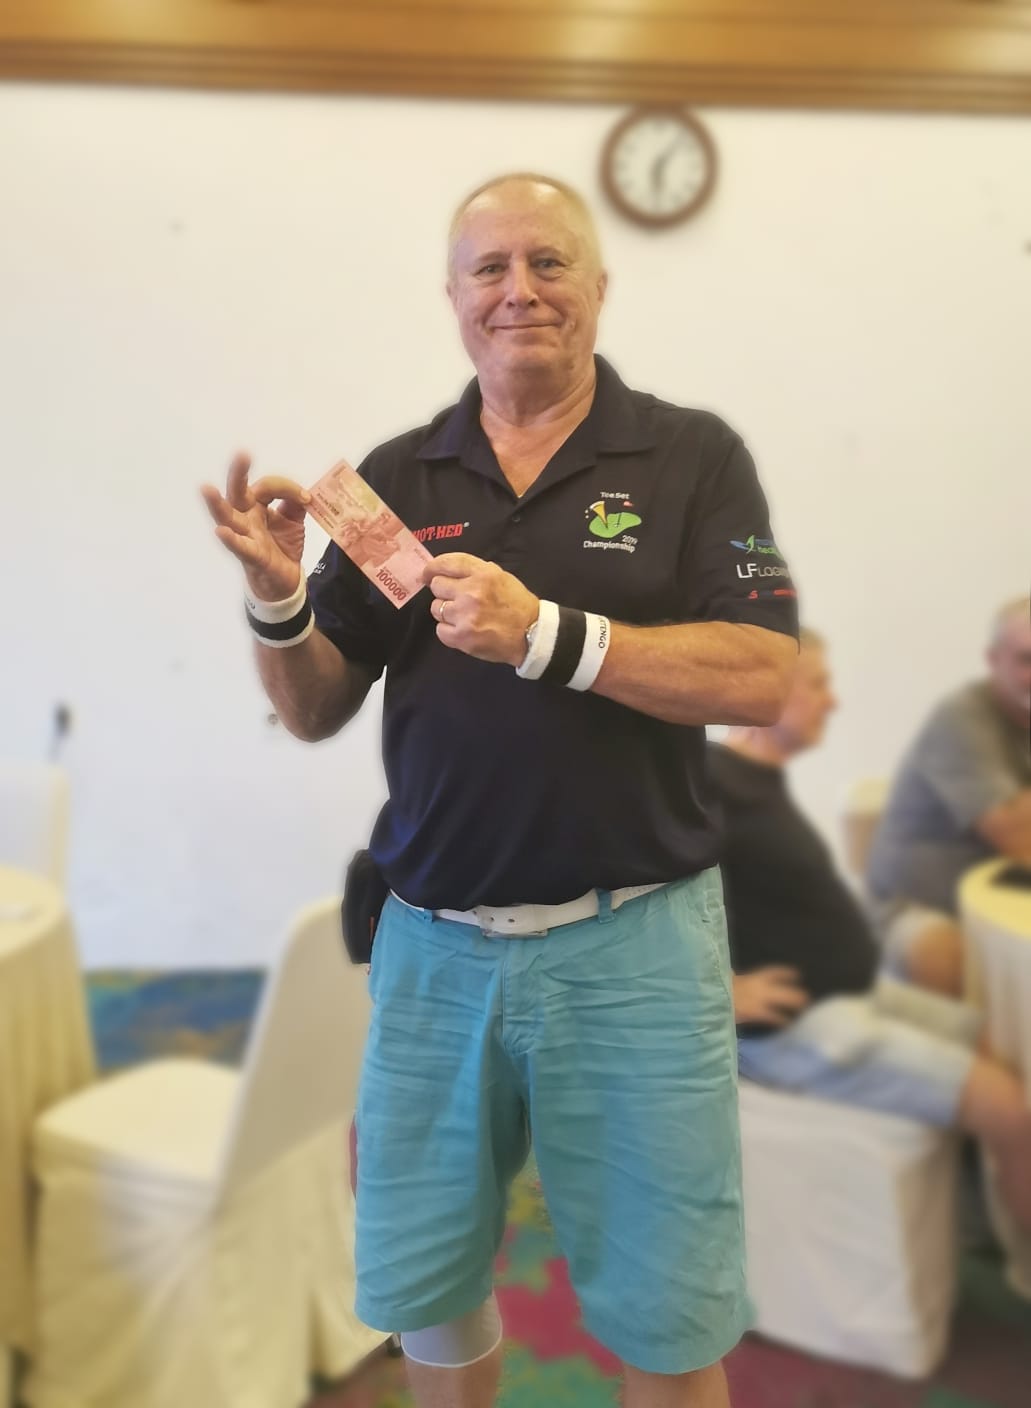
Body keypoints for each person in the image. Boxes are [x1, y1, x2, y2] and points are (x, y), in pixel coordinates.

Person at [202, 172, 798, 1408]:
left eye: (547, 262)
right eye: (489, 268)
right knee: (429, 1286)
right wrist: (278, 601)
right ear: (453, 296)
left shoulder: (692, 456)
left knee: (668, 1308)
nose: (517, 289)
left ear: (597, 287)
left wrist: (550, 636)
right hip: (433, 952)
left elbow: (760, 672)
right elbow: (314, 706)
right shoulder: (398, 478)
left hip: (635, 947)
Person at [708, 629, 1031, 1295]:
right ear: (767, 693)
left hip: (851, 992)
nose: (833, 701)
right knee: (1010, 1108)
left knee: (1004, 1056)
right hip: (800, 1028)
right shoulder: (712, 783)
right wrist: (719, 993)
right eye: (818, 685)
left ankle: (990, 1226)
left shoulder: (755, 781)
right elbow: (641, 895)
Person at [865, 597, 1031, 996]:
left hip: (1000, 897)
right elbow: (1017, 838)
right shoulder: (963, 717)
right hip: (913, 907)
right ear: (993, 660)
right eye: (1026, 659)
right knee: (941, 948)